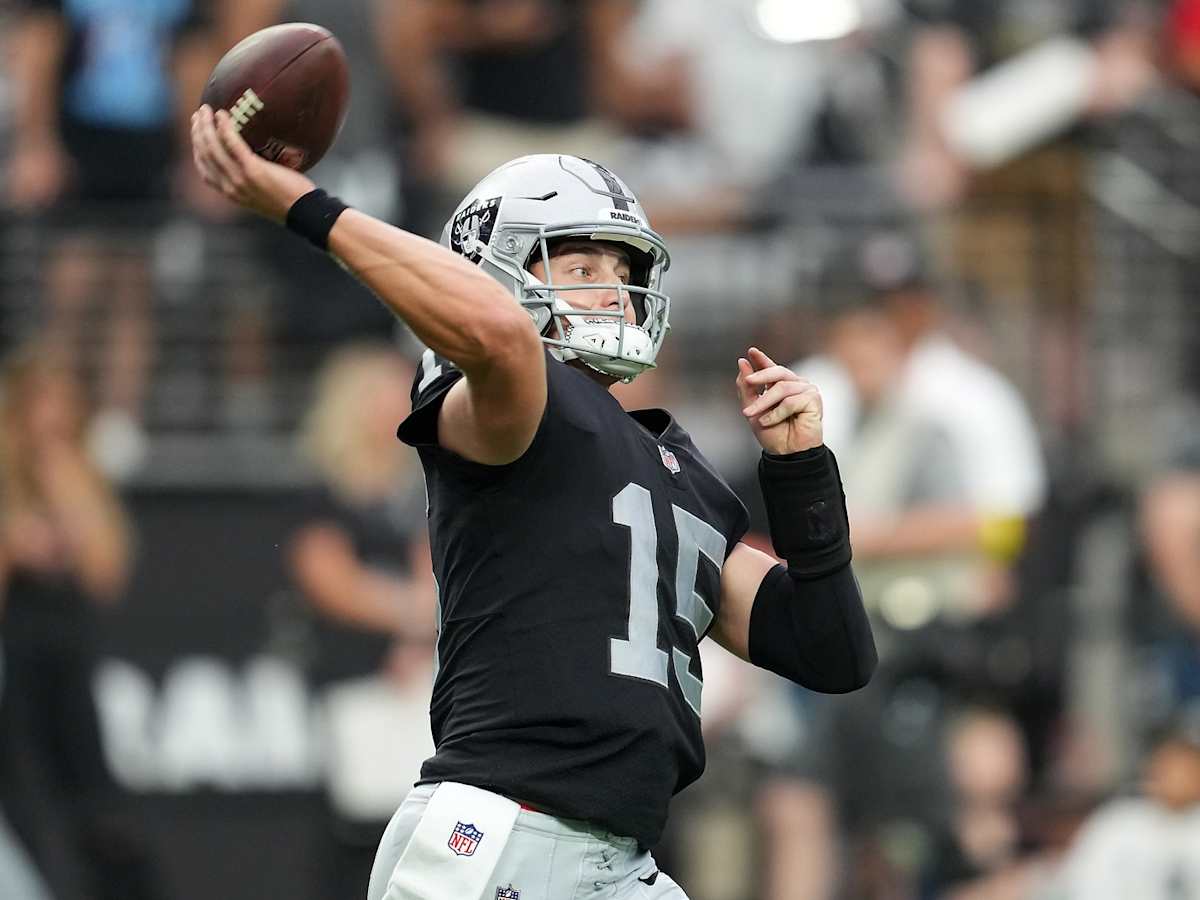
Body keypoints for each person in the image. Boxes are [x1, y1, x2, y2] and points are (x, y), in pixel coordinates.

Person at [190, 105, 877, 900]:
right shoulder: (505, 401)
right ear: (495, 272)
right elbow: (503, 340)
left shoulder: (678, 469)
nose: (613, 294)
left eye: (623, 275)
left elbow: (832, 652)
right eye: (582, 268)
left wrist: (804, 476)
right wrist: (307, 207)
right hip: (501, 834)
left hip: (620, 860)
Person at [287, 343, 437, 900]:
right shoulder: (324, 491)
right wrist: (410, 615)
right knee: (356, 827)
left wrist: (419, 637)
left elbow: (433, 568)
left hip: (414, 680)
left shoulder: (417, 486)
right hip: (351, 676)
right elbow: (329, 581)